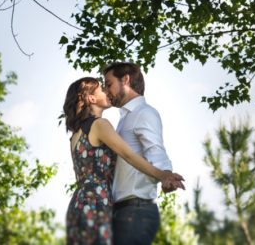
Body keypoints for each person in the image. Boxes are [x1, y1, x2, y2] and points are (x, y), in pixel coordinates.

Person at [62, 77, 184, 245]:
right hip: (97, 202)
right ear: (91, 98)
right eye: (102, 89)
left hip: (79, 203)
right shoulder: (100, 125)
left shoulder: (76, 134)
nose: (107, 91)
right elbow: (128, 155)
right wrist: (162, 175)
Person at [103, 62, 185, 245]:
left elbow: (156, 151)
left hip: (135, 212)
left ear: (125, 79)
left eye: (108, 84)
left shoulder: (144, 113)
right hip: (124, 212)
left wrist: (166, 176)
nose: (106, 91)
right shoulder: (124, 119)